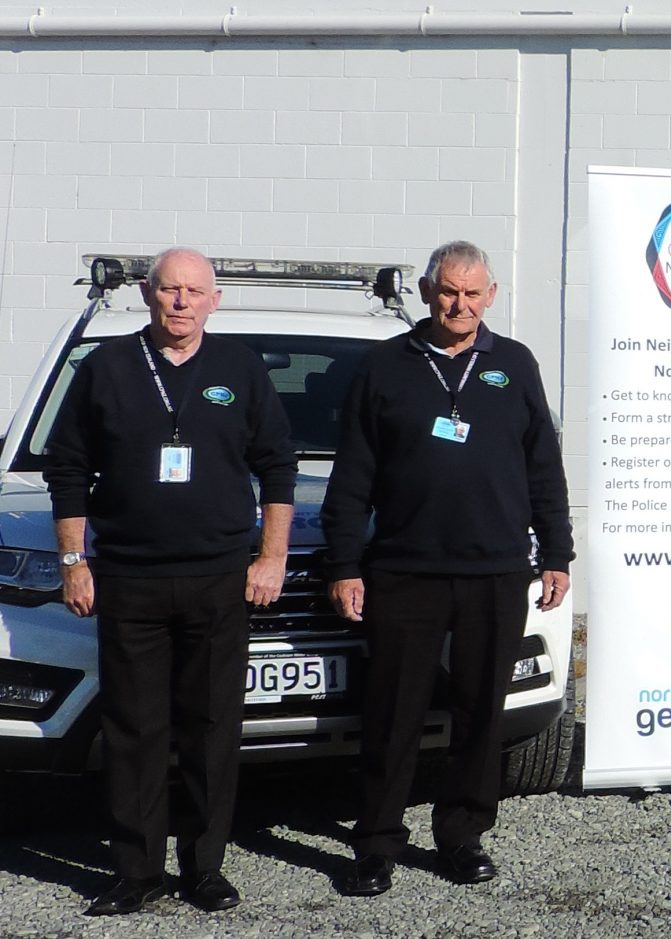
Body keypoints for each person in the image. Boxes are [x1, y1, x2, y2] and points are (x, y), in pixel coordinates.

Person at [45, 247, 293, 916]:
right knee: (134, 729)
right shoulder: (107, 369)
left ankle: (205, 867)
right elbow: (66, 471)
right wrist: (75, 561)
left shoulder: (240, 370)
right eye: (169, 289)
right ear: (149, 295)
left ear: (215, 300)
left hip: (219, 579)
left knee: (212, 727)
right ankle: (136, 870)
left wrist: (272, 555)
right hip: (129, 579)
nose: (181, 301)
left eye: (194, 290)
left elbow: (277, 467)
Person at [322, 241, 573, 897]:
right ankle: (376, 841)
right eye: (446, 292)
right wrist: (345, 563)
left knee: (480, 710)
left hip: (495, 571)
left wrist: (557, 553)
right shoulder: (386, 367)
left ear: (490, 295)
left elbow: (543, 467)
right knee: (393, 712)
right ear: (429, 293)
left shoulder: (514, 365)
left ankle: (462, 836)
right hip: (406, 570)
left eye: (471, 293)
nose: (458, 304)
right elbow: (352, 477)